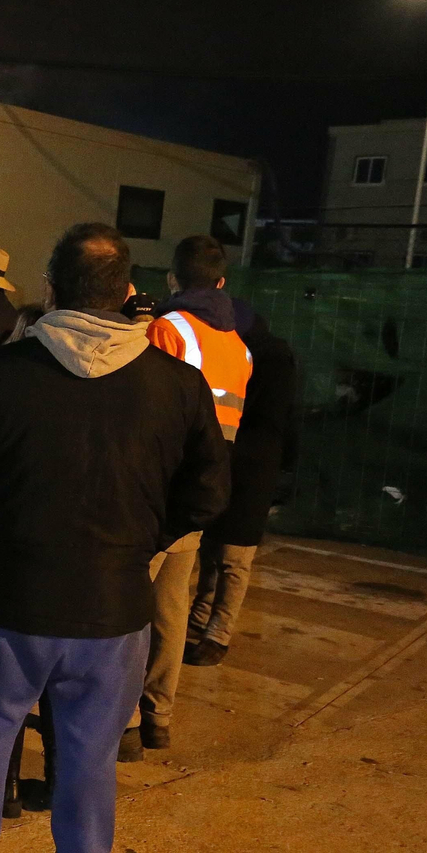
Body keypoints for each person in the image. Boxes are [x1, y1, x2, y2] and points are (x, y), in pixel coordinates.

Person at [0, 222, 230, 853]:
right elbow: (208, 493)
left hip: (6, 602)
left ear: (51, 287)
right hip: (113, 609)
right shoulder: (176, 385)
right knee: (89, 765)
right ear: (126, 292)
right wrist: (145, 540)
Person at [128, 234, 252, 755]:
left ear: (173, 280)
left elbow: (145, 409)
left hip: (158, 488)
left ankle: (128, 723)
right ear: (221, 283)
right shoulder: (239, 346)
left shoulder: (168, 328)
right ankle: (160, 717)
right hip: (201, 491)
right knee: (172, 610)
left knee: (131, 608)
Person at [186, 298, 298, 667]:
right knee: (214, 552)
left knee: (233, 557)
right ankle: (201, 621)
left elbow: (270, 422)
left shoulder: (268, 359)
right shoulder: (254, 352)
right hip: (236, 463)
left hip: (249, 469)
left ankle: (218, 633)